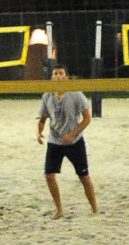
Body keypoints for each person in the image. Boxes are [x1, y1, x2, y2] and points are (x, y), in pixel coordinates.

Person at [35, 62, 97, 218]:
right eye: (55, 74)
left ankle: (95, 208)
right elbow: (42, 118)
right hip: (55, 141)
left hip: (75, 142)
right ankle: (59, 209)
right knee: (49, 175)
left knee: (84, 176)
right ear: (51, 77)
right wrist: (39, 132)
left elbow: (87, 119)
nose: (58, 76)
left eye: (61, 73)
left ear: (66, 77)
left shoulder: (76, 93)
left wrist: (73, 134)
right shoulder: (47, 95)